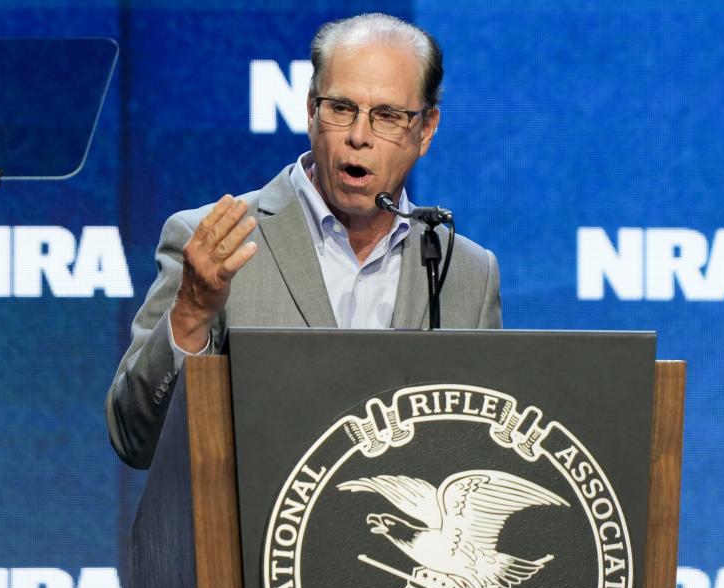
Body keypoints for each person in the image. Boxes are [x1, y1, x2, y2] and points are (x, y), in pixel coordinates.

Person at [106, 13, 502, 469]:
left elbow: (480, 450)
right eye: (341, 108)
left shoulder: (466, 273)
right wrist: (192, 313)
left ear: (426, 130)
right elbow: (135, 438)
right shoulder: (213, 244)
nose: (358, 136)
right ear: (312, 111)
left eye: (387, 116)